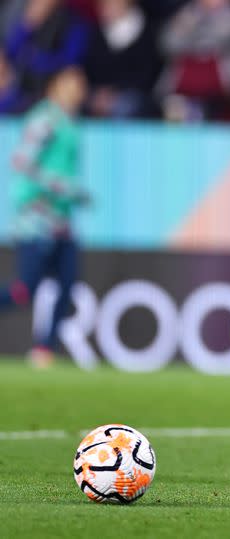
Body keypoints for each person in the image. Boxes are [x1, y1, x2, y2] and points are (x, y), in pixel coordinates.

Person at [0, 67, 90, 367]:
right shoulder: (45, 119)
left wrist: (74, 194)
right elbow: (22, 161)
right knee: (25, 289)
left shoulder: (69, 122)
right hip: (37, 221)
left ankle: (44, 349)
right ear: (55, 86)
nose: (79, 89)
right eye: (72, 82)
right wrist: (63, 187)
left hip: (61, 223)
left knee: (67, 285)